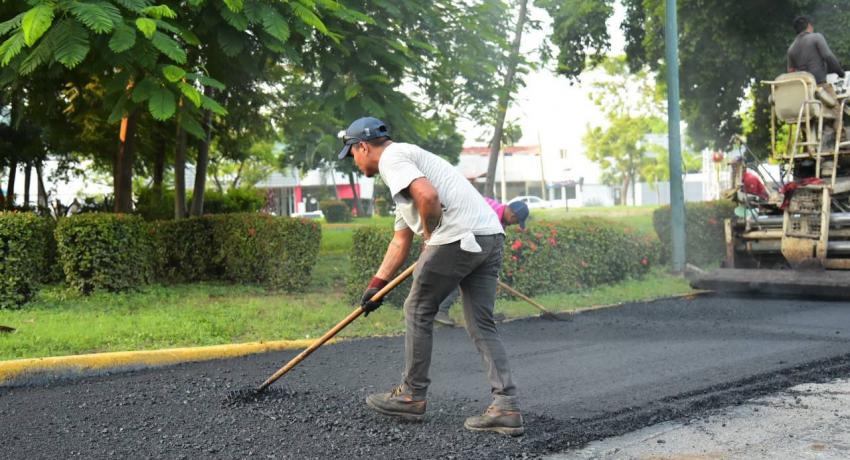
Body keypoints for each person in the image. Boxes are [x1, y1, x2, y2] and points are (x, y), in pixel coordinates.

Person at [338, 116, 524, 436]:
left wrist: (431, 237)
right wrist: (376, 286)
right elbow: (400, 240)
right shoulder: (408, 167)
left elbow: (429, 198)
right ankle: (505, 406)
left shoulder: (393, 158)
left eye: (352, 154)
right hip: (489, 237)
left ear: (363, 147)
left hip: (458, 237)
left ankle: (411, 395)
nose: (354, 162)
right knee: (481, 323)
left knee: (417, 308)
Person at [434, 198, 529, 327]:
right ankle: (440, 311)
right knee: (460, 276)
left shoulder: (498, 215)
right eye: (516, 222)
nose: (514, 224)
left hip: (468, 240)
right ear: (513, 215)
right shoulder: (492, 216)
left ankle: (483, 316)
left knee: (480, 280)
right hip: (458, 236)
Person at [787, 16, 845, 145]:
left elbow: (791, 73)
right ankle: (841, 141)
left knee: (810, 119)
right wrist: (840, 72)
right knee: (836, 109)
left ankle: (809, 144)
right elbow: (828, 56)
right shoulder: (816, 37)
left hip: (804, 94)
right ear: (809, 26)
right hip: (820, 87)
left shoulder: (791, 49)